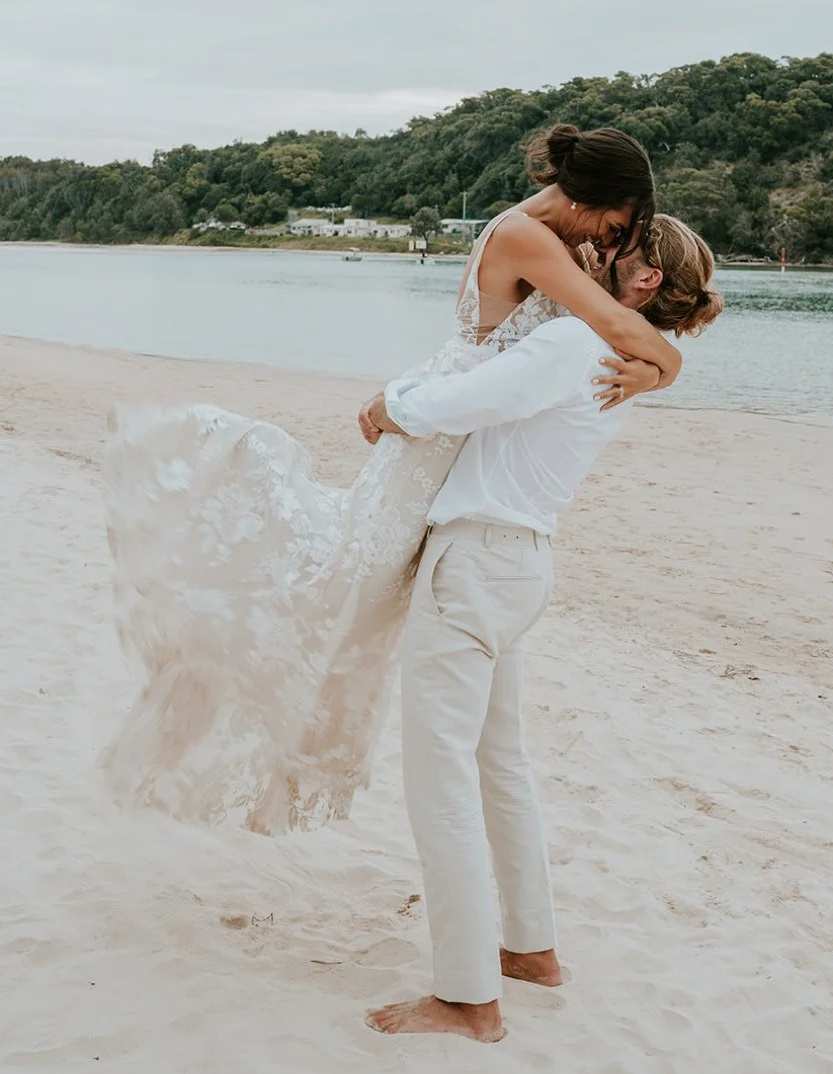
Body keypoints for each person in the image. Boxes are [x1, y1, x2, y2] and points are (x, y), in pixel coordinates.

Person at [102, 125, 679, 834]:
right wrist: (668, 370)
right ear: (592, 194)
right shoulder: (526, 236)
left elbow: (596, 336)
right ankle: (224, 703)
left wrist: (651, 370)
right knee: (344, 590)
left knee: (355, 597)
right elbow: (616, 325)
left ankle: (265, 760)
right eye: (615, 225)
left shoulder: (549, 240)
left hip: (449, 430)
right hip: (436, 431)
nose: (608, 242)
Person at [358, 216, 722, 1041]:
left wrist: (389, 405)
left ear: (644, 281)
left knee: (441, 777)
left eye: (614, 247)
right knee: (499, 765)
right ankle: (531, 951)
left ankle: (465, 996)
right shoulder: (615, 351)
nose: (590, 252)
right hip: (519, 562)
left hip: (477, 562)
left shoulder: (575, 341)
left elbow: (468, 399)